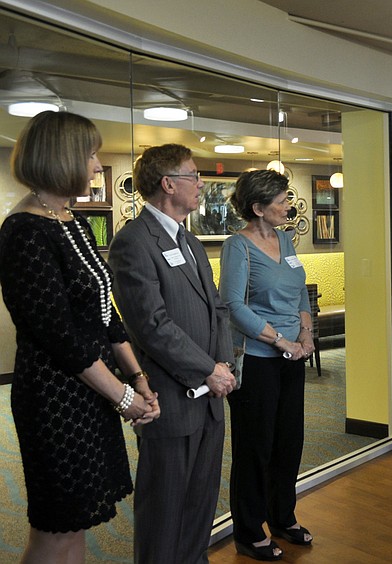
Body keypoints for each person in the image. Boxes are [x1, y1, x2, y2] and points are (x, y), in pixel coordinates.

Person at [0, 111, 159, 563]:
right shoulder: (25, 231)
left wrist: (137, 378)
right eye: (91, 154)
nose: (96, 166)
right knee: (56, 528)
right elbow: (60, 337)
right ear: (62, 157)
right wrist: (123, 398)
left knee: (80, 523)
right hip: (55, 399)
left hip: (91, 393)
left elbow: (105, 313)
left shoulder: (74, 221)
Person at [108, 144, 238, 564]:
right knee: (163, 511)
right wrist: (207, 370)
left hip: (210, 400)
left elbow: (216, 308)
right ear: (168, 184)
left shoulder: (190, 239)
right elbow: (150, 325)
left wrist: (224, 364)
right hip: (170, 400)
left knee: (200, 505)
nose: (201, 184)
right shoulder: (133, 242)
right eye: (193, 176)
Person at [219, 169, 314, 560]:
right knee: (255, 448)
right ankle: (248, 529)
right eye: (281, 200)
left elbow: (299, 293)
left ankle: (282, 516)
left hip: (293, 357)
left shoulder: (285, 240)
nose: (287, 205)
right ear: (257, 208)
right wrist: (281, 341)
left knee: (289, 443)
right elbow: (233, 307)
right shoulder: (237, 247)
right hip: (257, 361)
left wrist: (306, 336)